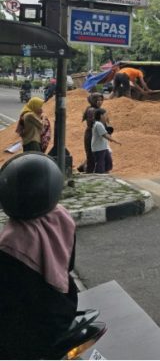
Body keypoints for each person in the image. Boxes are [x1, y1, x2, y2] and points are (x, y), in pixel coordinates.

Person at [0, 152, 78, 359]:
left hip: (34, 327)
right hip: (65, 306)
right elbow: (68, 266)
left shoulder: (10, 242)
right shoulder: (63, 217)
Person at [80, 92, 104, 173]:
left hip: (94, 134)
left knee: (93, 154)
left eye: (101, 100)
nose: (100, 102)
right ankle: (89, 172)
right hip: (91, 134)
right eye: (98, 100)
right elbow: (93, 123)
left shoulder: (95, 109)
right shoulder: (92, 110)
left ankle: (83, 167)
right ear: (93, 101)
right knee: (91, 155)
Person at [91, 108, 120, 173]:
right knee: (100, 164)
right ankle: (99, 176)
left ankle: (105, 174)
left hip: (103, 148)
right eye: (105, 115)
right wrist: (115, 141)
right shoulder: (98, 124)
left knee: (108, 162)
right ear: (101, 116)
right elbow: (105, 135)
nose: (107, 117)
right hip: (99, 148)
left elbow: (108, 132)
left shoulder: (101, 124)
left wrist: (107, 122)